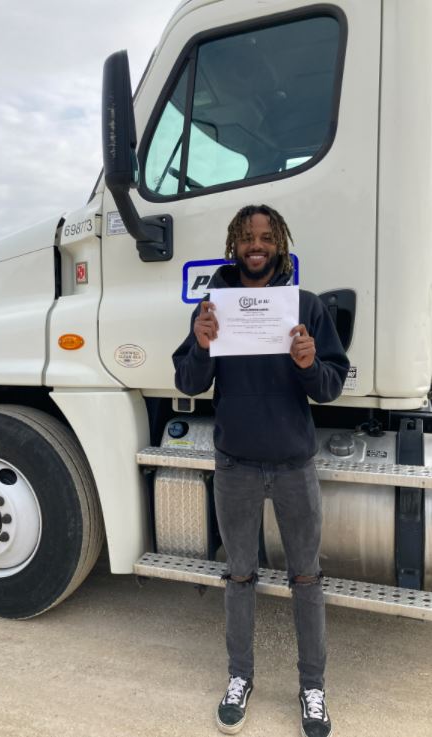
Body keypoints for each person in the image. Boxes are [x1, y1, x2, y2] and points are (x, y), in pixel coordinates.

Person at [172, 204, 349, 737]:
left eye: (267, 237)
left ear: (279, 244)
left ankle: (312, 687)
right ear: (235, 244)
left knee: (307, 578)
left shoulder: (307, 308)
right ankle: (239, 678)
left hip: (294, 465)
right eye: (248, 237)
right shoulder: (212, 308)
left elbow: (331, 385)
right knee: (240, 577)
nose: (257, 244)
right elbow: (187, 382)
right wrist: (202, 345)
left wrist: (308, 364)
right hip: (236, 465)